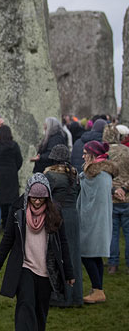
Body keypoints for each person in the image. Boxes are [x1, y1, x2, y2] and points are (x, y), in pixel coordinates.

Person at [0, 173, 75, 331]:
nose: (37, 201)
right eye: (33, 198)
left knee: (40, 312)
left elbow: (63, 244)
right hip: (25, 267)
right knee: (25, 306)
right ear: (28, 195)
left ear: (47, 197)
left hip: (46, 271)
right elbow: (8, 238)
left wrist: (69, 273)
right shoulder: (18, 210)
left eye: (41, 199)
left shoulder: (55, 212)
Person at [77, 140, 117, 304]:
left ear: (92, 154)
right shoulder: (104, 174)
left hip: (92, 221)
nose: (83, 156)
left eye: (85, 153)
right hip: (99, 220)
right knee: (95, 256)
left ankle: (98, 290)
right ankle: (97, 289)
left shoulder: (94, 175)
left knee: (86, 254)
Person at [43, 144, 82, 307]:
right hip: (73, 216)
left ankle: (60, 296)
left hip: (57, 216)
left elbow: (45, 196)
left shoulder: (50, 175)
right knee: (73, 255)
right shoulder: (75, 174)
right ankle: (75, 297)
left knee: (57, 256)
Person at [102, 124, 129, 274]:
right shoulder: (127, 152)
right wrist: (124, 188)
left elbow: (102, 176)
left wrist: (114, 189)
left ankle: (113, 264)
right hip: (127, 197)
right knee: (128, 232)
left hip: (111, 197)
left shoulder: (105, 154)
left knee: (112, 233)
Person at [0, 125, 23, 234]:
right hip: (11, 176)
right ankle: (10, 225)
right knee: (11, 202)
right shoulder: (14, 145)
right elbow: (19, 160)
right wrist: (14, 169)